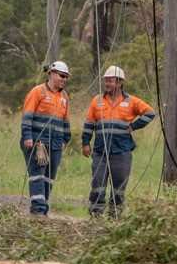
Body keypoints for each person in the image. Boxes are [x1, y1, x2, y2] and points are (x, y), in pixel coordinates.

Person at [81, 64, 155, 218]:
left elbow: (150, 113)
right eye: (106, 81)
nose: (107, 84)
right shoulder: (97, 101)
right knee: (97, 185)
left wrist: (134, 126)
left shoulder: (132, 101)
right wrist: (85, 143)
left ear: (120, 82)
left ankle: (115, 216)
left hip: (121, 151)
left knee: (119, 187)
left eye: (111, 80)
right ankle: (96, 215)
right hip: (100, 151)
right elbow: (89, 124)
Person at [19, 60, 72, 216]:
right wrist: (27, 136)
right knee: (37, 175)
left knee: (49, 178)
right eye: (61, 76)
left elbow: (66, 121)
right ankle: (38, 211)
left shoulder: (64, 97)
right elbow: (27, 116)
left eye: (66, 77)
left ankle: (42, 208)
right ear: (51, 74)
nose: (64, 79)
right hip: (37, 142)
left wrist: (65, 140)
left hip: (55, 143)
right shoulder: (38, 92)